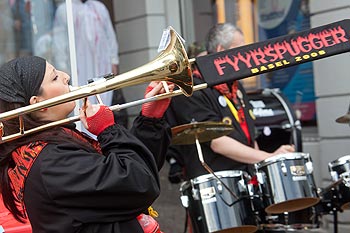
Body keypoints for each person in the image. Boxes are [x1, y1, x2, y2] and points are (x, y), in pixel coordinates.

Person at [0, 56, 174, 233]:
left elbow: (134, 172)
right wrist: (108, 130)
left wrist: (150, 120)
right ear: (38, 103)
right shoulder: (51, 162)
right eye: (54, 77)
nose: (66, 76)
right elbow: (138, 185)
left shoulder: (52, 146)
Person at [165, 23, 295, 182]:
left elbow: (248, 136)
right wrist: (268, 157)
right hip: (218, 184)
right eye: (239, 50)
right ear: (221, 51)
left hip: (245, 176)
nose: (244, 57)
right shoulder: (192, 88)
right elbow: (217, 142)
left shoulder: (234, 85)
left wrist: (260, 170)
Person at [52, 0, 124, 114]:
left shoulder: (99, 7)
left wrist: (113, 60)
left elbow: (109, 36)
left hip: (102, 62)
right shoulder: (65, 9)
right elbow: (59, 42)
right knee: (82, 100)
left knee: (103, 97)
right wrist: (62, 67)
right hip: (78, 65)